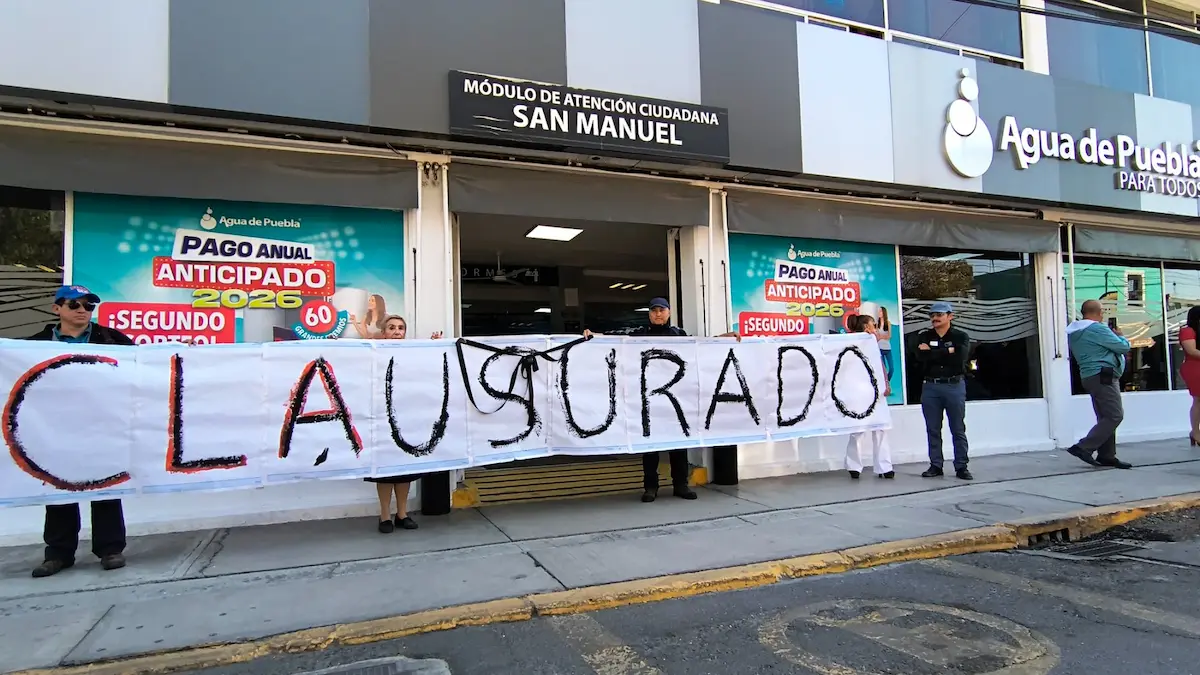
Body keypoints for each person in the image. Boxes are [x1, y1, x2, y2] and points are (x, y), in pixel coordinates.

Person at [584, 297, 739, 503]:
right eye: (654, 310)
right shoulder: (640, 335)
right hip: (648, 399)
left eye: (662, 310)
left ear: (669, 313)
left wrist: (723, 338)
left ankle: (680, 485)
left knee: (678, 444)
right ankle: (650, 487)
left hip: (675, 399)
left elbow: (700, 345)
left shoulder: (678, 335)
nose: (658, 314)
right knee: (650, 446)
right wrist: (595, 336)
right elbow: (617, 340)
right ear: (649, 314)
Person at [26, 285, 134, 577]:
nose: (83, 310)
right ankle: (58, 553)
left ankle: (110, 549)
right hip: (53, 427)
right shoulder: (33, 344)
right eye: (74, 305)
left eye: (89, 306)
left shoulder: (111, 339)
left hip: (102, 423)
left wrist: (178, 350)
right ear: (57, 309)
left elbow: (144, 364)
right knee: (59, 487)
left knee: (106, 485)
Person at [364, 314, 442, 532]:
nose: (397, 331)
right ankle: (384, 516)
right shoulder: (372, 353)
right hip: (381, 418)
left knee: (404, 469)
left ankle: (402, 514)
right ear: (383, 332)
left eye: (400, 328)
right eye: (392, 327)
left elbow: (427, 369)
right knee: (384, 471)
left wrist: (435, 346)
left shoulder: (411, 354)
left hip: (406, 418)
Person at [1065, 300, 1133, 469]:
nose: (1103, 315)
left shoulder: (1075, 331)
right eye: (1102, 312)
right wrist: (1121, 336)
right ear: (1098, 312)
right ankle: (1083, 447)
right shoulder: (1097, 329)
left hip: (1089, 375)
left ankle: (1107, 455)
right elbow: (1122, 347)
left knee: (1105, 416)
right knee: (1115, 416)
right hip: (1104, 374)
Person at [915, 301, 973, 481]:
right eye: (932, 315)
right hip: (931, 386)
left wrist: (933, 351)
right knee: (933, 428)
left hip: (953, 385)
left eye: (939, 315)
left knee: (957, 428)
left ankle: (961, 466)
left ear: (950, 316)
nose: (935, 318)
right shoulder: (924, 336)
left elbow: (960, 358)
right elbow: (920, 357)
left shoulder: (960, 336)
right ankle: (936, 465)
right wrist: (947, 351)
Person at [845, 315, 894, 480]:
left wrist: (886, 384)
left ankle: (884, 467)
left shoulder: (874, 345)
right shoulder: (852, 342)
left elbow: (881, 367)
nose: (877, 329)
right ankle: (854, 466)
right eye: (874, 325)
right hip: (859, 391)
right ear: (867, 327)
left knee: (880, 428)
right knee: (858, 429)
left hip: (877, 391)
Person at [1177, 306, 1200, 447]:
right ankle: (1196, 432)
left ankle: (1195, 432)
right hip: (1194, 367)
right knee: (1198, 400)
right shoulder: (1188, 331)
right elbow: (1191, 350)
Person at [876, 307, 894, 382]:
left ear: (884, 312)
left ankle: (887, 381)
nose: (879, 313)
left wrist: (881, 337)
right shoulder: (877, 324)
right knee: (884, 369)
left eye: (880, 311)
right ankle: (885, 384)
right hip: (880, 348)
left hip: (887, 348)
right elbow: (877, 337)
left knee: (891, 368)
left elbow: (889, 336)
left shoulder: (888, 323)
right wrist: (883, 337)